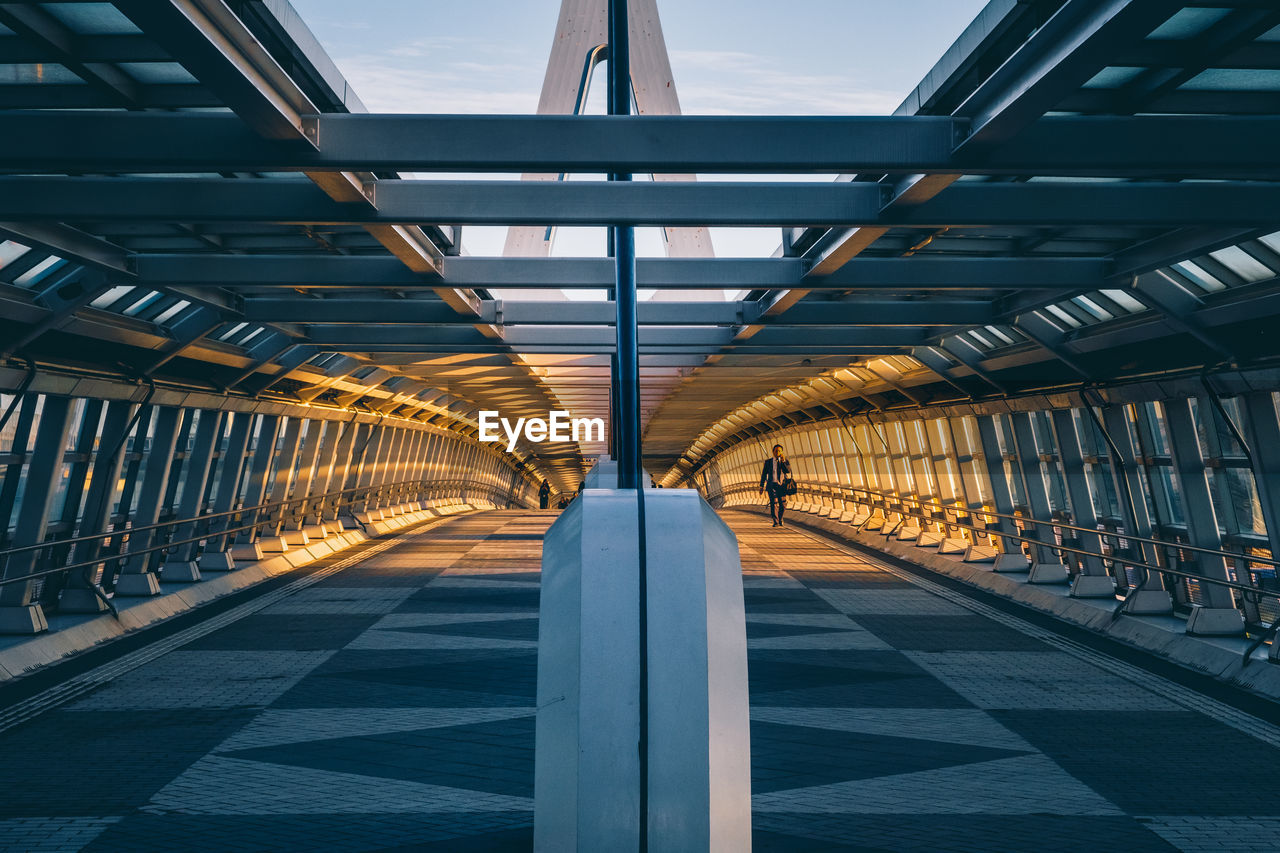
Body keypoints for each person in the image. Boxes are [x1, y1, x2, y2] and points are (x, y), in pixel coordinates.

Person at [758, 444, 792, 528]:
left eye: (779, 451)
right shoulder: (768, 462)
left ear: (782, 452)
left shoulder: (785, 461)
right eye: (776, 451)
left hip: (781, 485)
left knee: (783, 504)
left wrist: (783, 462)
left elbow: (788, 471)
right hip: (771, 484)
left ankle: (780, 519)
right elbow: (764, 474)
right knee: (773, 503)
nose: (778, 452)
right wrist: (761, 486)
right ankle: (776, 521)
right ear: (773, 452)